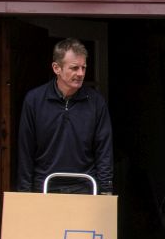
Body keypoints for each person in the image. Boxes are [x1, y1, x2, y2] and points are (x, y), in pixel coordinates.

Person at [16, 38, 114, 195]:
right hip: (44, 187)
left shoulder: (96, 102)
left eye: (83, 67)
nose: (81, 73)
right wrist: (24, 192)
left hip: (85, 187)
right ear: (56, 68)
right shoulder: (34, 100)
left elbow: (104, 151)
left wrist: (105, 190)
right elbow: (25, 150)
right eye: (74, 68)